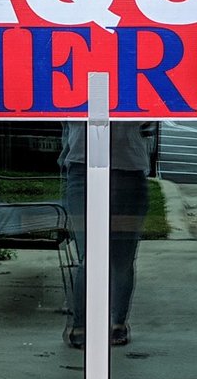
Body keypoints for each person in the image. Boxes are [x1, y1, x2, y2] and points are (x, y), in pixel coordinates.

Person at [60, 123, 151, 348]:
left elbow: (147, 120)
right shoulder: (73, 87)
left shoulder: (133, 86)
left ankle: (117, 323)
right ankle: (81, 325)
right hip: (83, 168)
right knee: (89, 258)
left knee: (122, 259)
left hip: (128, 171)